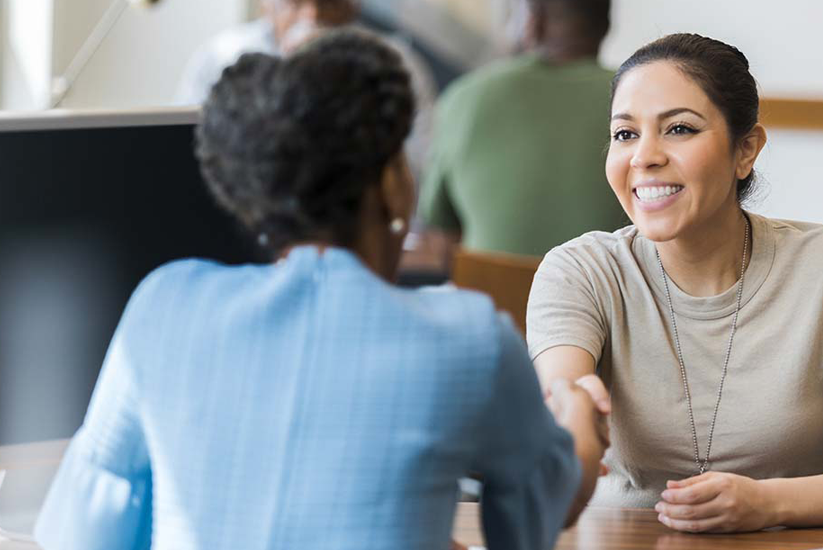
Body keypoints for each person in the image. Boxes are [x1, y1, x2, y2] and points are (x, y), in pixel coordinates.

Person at [34, 29, 607, 550]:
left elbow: (85, 530)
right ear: (390, 183)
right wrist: (579, 416)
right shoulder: (468, 338)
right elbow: (544, 503)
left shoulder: (163, 303)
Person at [527, 33, 823, 533]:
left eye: (678, 129)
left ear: (746, 150)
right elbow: (564, 398)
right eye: (625, 134)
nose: (644, 156)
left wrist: (767, 504)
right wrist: (573, 414)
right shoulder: (579, 270)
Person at [417, 0, 626, 259]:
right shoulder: (635, 97)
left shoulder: (464, 98)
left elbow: (441, 233)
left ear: (532, 22)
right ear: (605, 26)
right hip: (604, 296)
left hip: (492, 295)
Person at [175, 0, 436, 183]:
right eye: (296, 2)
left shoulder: (396, 64)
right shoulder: (220, 58)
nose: (312, 15)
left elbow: (422, 169)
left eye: (328, 2)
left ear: (352, 6)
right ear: (266, 5)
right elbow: (185, 152)